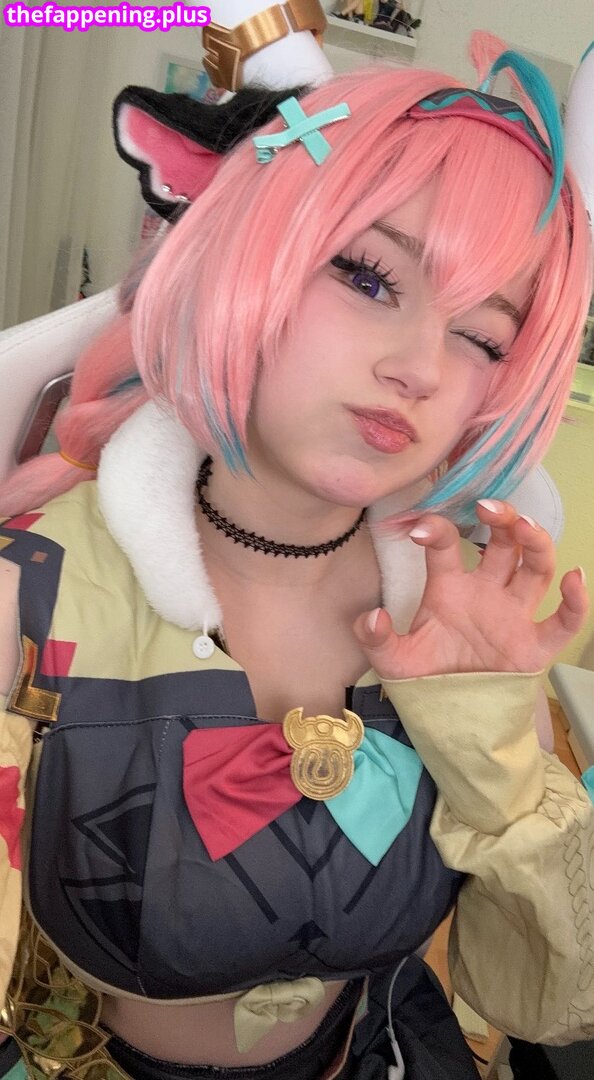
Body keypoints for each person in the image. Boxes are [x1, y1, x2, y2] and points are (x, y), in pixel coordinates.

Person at [0, 32, 593, 1080]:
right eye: (368, 276)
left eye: (483, 336)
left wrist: (492, 737)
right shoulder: (30, 596)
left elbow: (551, 998)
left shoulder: (457, 607)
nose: (419, 367)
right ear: (248, 253)